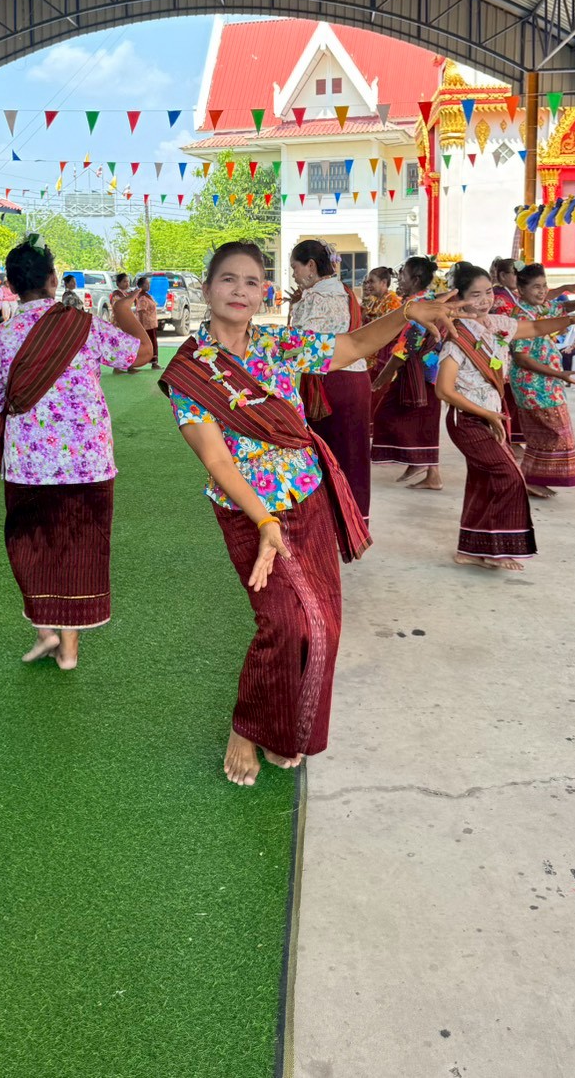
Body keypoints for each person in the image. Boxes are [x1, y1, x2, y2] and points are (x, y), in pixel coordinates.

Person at [161, 240, 462, 786]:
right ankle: (246, 728)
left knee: (323, 622)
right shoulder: (190, 370)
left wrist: (406, 313)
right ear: (206, 289)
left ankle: (286, 730)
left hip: (308, 493)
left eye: (251, 282)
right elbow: (217, 459)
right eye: (228, 279)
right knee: (282, 622)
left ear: (264, 293)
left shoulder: (278, 344)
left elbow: (353, 346)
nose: (240, 290)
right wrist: (264, 522)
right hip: (248, 511)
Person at [0, 235, 151, 668]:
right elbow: (142, 353)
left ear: (11, 287)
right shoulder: (84, 325)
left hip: (27, 468)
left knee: (31, 549)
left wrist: (21, 435)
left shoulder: (2, 338)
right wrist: (124, 309)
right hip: (88, 464)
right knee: (80, 551)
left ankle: (45, 632)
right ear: (53, 279)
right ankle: (68, 647)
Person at [434, 263, 575, 572]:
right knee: (510, 477)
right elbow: (444, 390)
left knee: (484, 481)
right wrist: (487, 414)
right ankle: (497, 547)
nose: (485, 300)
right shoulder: (456, 336)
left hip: (491, 416)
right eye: (475, 295)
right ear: (458, 298)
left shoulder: (498, 323)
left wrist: (573, 319)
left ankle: (471, 550)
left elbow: (535, 329)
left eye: (488, 292)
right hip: (468, 420)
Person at [288, 239, 373, 523]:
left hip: (331, 383)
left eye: (295, 268)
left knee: (328, 455)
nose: (294, 275)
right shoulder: (346, 292)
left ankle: (334, 522)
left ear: (311, 266)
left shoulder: (316, 297)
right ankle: (356, 521)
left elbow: (300, 345)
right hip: (356, 379)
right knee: (354, 455)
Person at [506, 264, 575, 497]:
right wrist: (559, 374)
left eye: (544, 286)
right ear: (521, 290)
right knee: (553, 432)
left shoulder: (538, 308)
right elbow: (521, 358)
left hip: (546, 383)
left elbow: (561, 307)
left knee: (547, 433)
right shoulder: (521, 316)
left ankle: (532, 478)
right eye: (536, 287)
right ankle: (530, 479)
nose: (542, 291)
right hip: (532, 384)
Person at [371, 255, 444, 492]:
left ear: (416, 279)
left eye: (402, 276)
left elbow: (407, 345)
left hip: (420, 371)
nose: (398, 280)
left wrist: (384, 374)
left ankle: (421, 464)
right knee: (426, 420)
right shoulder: (427, 300)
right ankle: (428, 470)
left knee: (385, 414)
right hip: (430, 371)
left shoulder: (419, 305)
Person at [134, 274, 161, 368]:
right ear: (141, 286)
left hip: (151, 324)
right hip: (147, 325)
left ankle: (154, 361)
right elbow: (141, 312)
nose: (148, 285)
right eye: (146, 284)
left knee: (153, 343)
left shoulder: (146, 295)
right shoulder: (142, 297)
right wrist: (141, 327)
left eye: (148, 283)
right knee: (151, 343)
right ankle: (153, 362)